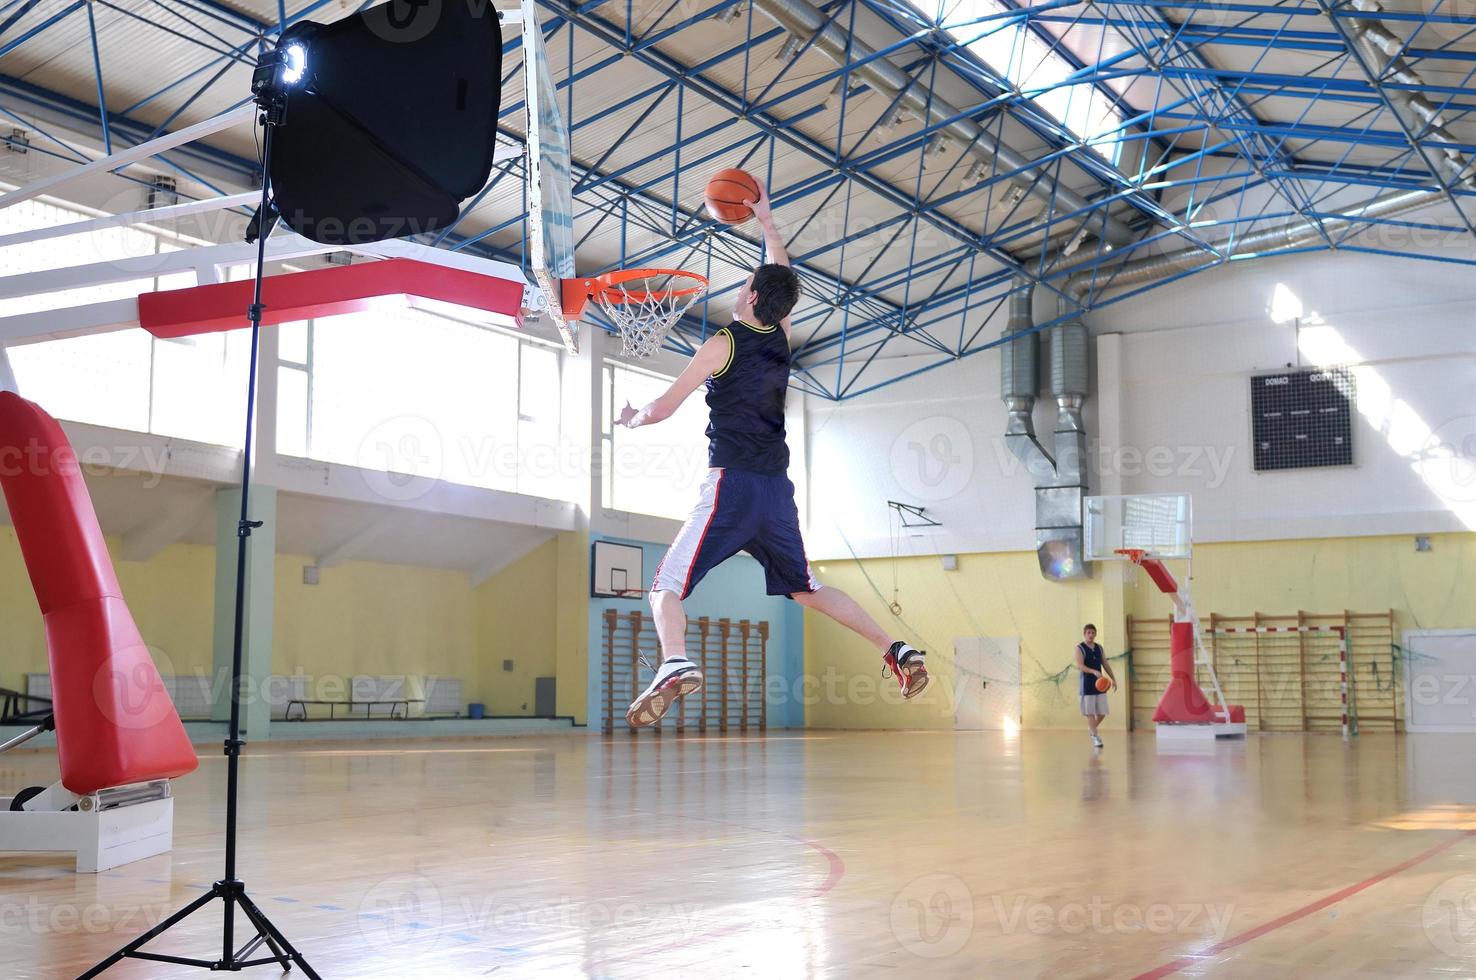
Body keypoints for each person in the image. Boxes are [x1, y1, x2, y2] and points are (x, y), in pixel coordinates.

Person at [616, 181, 926, 727]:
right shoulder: (781, 335)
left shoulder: (722, 343)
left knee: (664, 587)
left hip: (731, 487)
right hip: (776, 493)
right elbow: (780, 273)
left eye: (748, 282)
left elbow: (664, 409)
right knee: (806, 589)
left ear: (753, 297)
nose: (743, 285)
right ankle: (895, 648)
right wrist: (766, 223)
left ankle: (674, 662)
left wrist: (634, 416)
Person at [1076, 624, 1115, 748]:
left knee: (1102, 712)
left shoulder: (1099, 648)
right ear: (1084, 634)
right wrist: (1093, 671)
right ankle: (1095, 736)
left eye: (1093, 633)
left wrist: (1113, 679)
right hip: (1087, 684)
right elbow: (1080, 665)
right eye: (1088, 633)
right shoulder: (1079, 648)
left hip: (1100, 685)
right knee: (1090, 713)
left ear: (1095, 634)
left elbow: (1105, 664)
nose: (1091, 635)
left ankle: (1091, 728)